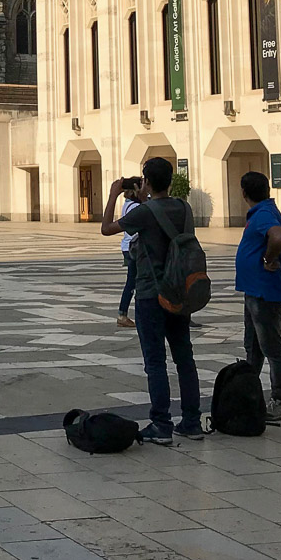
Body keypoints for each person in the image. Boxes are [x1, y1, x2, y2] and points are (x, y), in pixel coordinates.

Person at [101, 157, 202, 444]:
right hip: (179, 292)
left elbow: (107, 228)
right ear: (171, 180)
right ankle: (192, 421)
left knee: (155, 362)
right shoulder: (184, 208)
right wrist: (146, 198)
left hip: (150, 293)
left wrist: (113, 194)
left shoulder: (144, 213)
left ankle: (161, 423)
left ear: (146, 181)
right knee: (184, 358)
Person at [236, 170, 281, 421]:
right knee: (254, 347)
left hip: (264, 292)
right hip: (254, 290)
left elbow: (279, 235)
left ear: (244, 193)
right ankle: (250, 395)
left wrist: (269, 258)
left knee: (271, 347)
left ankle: (280, 401)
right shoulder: (267, 211)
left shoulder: (263, 215)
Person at [115, 177, 143, 328]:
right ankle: (123, 314)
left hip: (128, 246)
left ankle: (123, 313)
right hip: (134, 248)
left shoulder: (129, 204)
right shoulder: (135, 207)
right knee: (133, 282)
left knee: (133, 281)